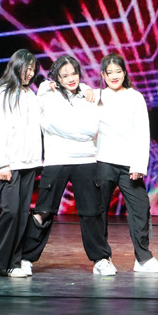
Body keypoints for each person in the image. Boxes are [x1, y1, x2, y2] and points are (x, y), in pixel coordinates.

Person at [21, 55, 116, 276]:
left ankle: (101, 259)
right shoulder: (47, 94)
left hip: (86, 160)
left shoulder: (88, 95)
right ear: (57, 78)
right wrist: (77, 131)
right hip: (56, 160)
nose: (71, 78)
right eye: (65, 75)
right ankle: (25, 258)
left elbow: (91, 128)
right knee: (43, 212)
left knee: (92, 212)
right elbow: (50, 123)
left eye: (74, 73)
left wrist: (69, 129)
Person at [96, 53, 158, 273]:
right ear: (103, 75)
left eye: (118, 71)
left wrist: (138, 165)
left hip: (128, 165)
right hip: (102, 161)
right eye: (109, 72)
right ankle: (101, 259)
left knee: (140, 208)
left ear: (125, 73)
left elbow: (142, 132)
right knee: (98, 211)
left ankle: (143, 258)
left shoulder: (135, 97)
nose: (114, 76)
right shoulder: (96, 96)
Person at [0, 49, 42, 278]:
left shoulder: (31, 95)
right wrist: (2, 163)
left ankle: (13, 263)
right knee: (9, 212)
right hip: (9, 164)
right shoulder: (2, 93)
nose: (30, 73)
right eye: (26, 68)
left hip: (29, 164)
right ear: (15, 66)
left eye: (33, 69)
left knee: (22, 214)